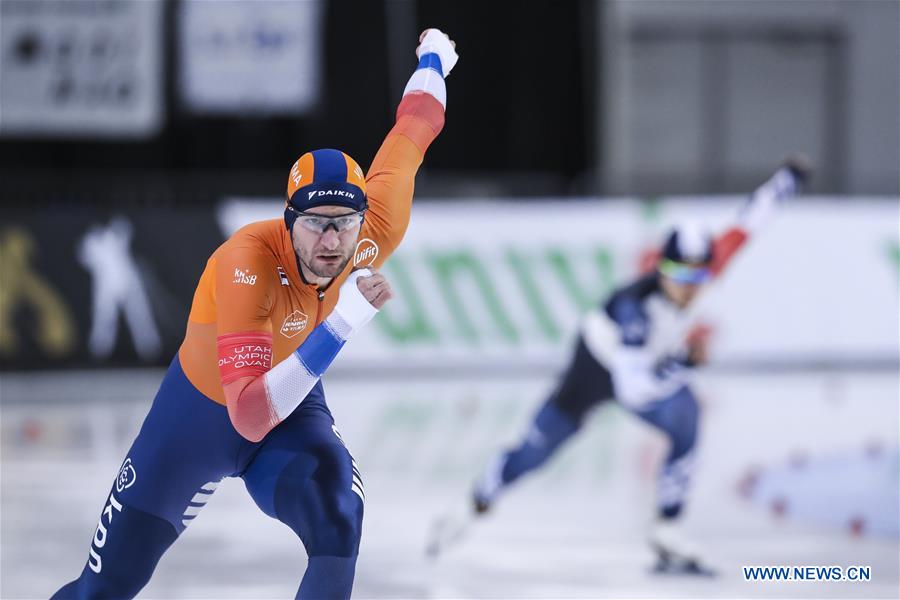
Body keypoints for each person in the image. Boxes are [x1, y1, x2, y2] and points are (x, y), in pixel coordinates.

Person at [54, 28, 458, 600]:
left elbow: (416, 126)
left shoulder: (374, 230)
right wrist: (343, 323)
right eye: (315, 223)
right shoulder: (246, 260)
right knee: (103, 590)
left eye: (345, 224)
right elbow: (246, 415)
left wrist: (436, 58)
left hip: (291, 408)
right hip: (198, 418)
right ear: (287, 220)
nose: (331, 242)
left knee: (340, 516)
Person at [428, 157, 811, 574]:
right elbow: (634, 389)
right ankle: (475, 501)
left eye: (697, 279)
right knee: (537, 452)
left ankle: (667, 527)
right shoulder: (635, 310)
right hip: (595, 368)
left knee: (687, 415)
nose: (686, 289)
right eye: (677, 276)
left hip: (644, 364)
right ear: (659, 270)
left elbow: (749, 222)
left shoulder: (706, 270)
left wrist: (786, 180)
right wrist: (682, 362)